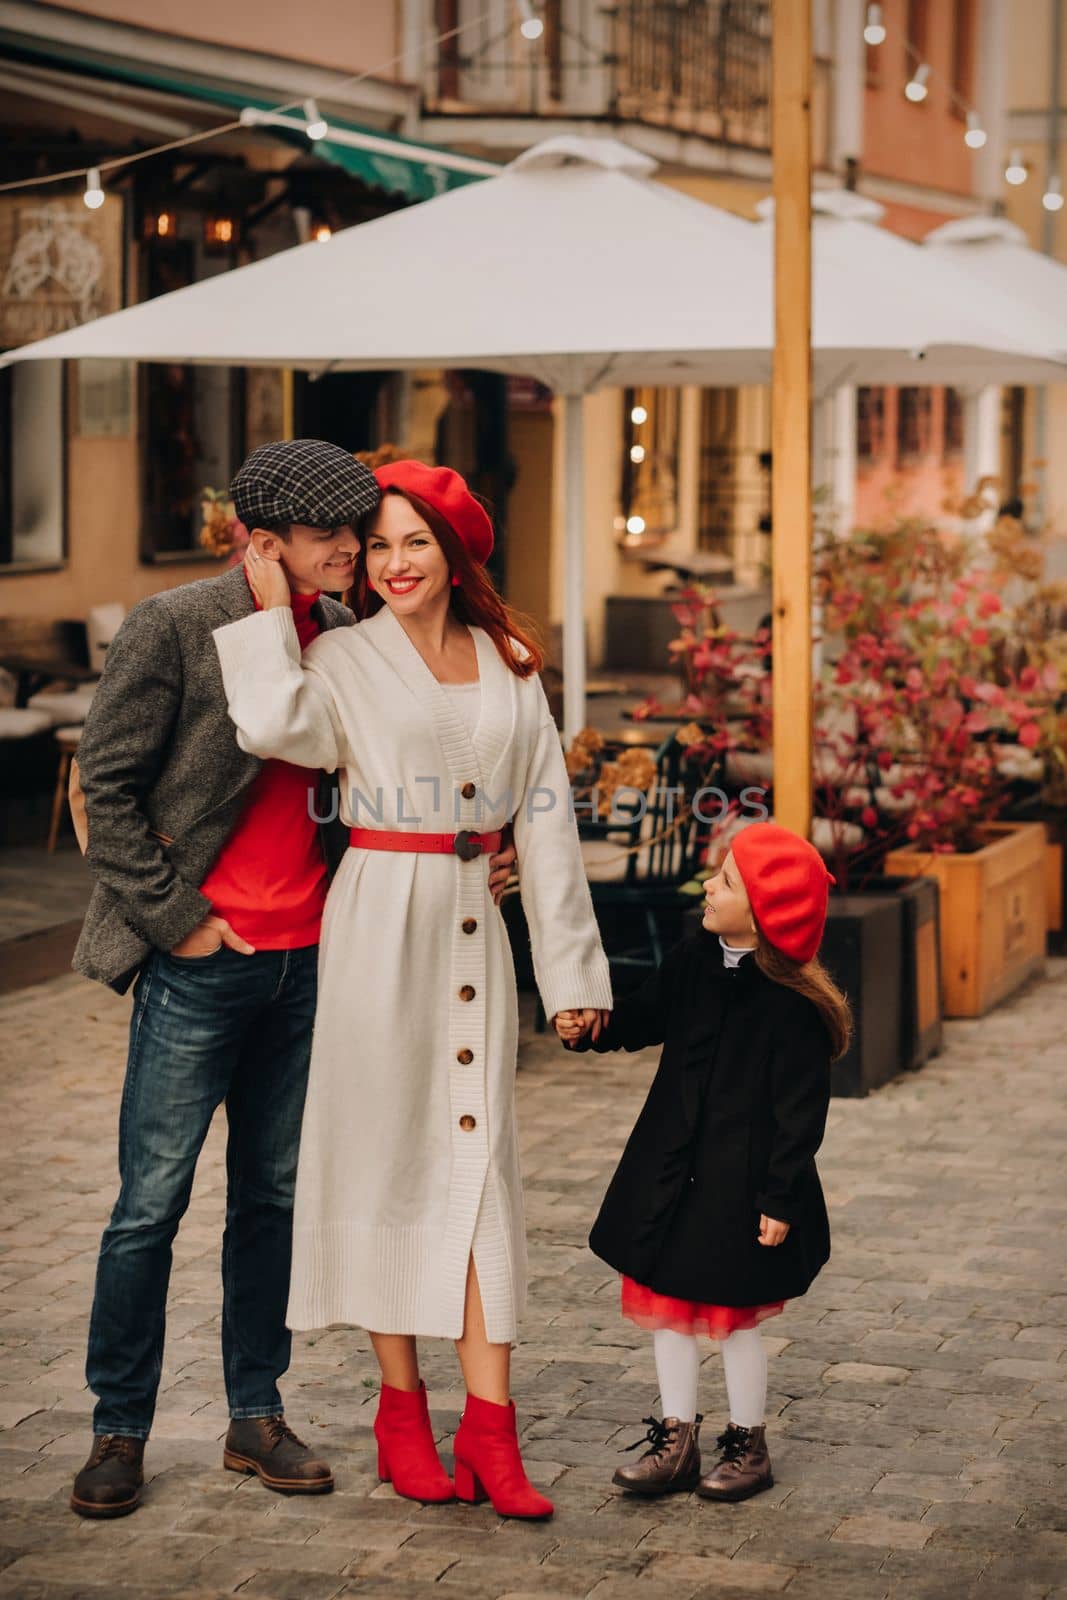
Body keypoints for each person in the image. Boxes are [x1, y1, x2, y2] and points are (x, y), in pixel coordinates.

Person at [69, 439, 517, 1519]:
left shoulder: (349, 637)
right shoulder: (174, 625)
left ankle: (254, 1412)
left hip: (318, 961)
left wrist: (476, 845)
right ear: (260, 541)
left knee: (269, 1197)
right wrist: (180, 925)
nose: (354, 553)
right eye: (330, 538)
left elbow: (399, 770)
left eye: (361, 536)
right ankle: (117, 1429)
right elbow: (104, 789)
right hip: (202, 966)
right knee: (150, 1204)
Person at [213, 459, 612, 1521]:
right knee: (388, 1160)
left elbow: (546, 820)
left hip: (474, 926)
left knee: (480, 1173)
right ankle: (401, 1408)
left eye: (412, 543)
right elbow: (274, 728)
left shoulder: (511, 663)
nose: (390, 563)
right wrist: (264, 617)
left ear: (453, 553)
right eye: (376, 545)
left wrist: (570, 972)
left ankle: (492, 1430)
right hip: (379, 921)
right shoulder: (338, 656)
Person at [556, 822, 851, 1503]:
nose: (706, 889)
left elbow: (799, 1114)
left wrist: (779, 1198)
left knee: (732, 1314)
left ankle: (748, 1441)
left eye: (723, 882)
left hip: (739, 1186)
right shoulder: (694, 958)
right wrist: (593, 1027)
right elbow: (644, 1018)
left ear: (764, 910)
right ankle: (675, 1438)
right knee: (667, 1306)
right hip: (669, 1169)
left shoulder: (791, 1004)